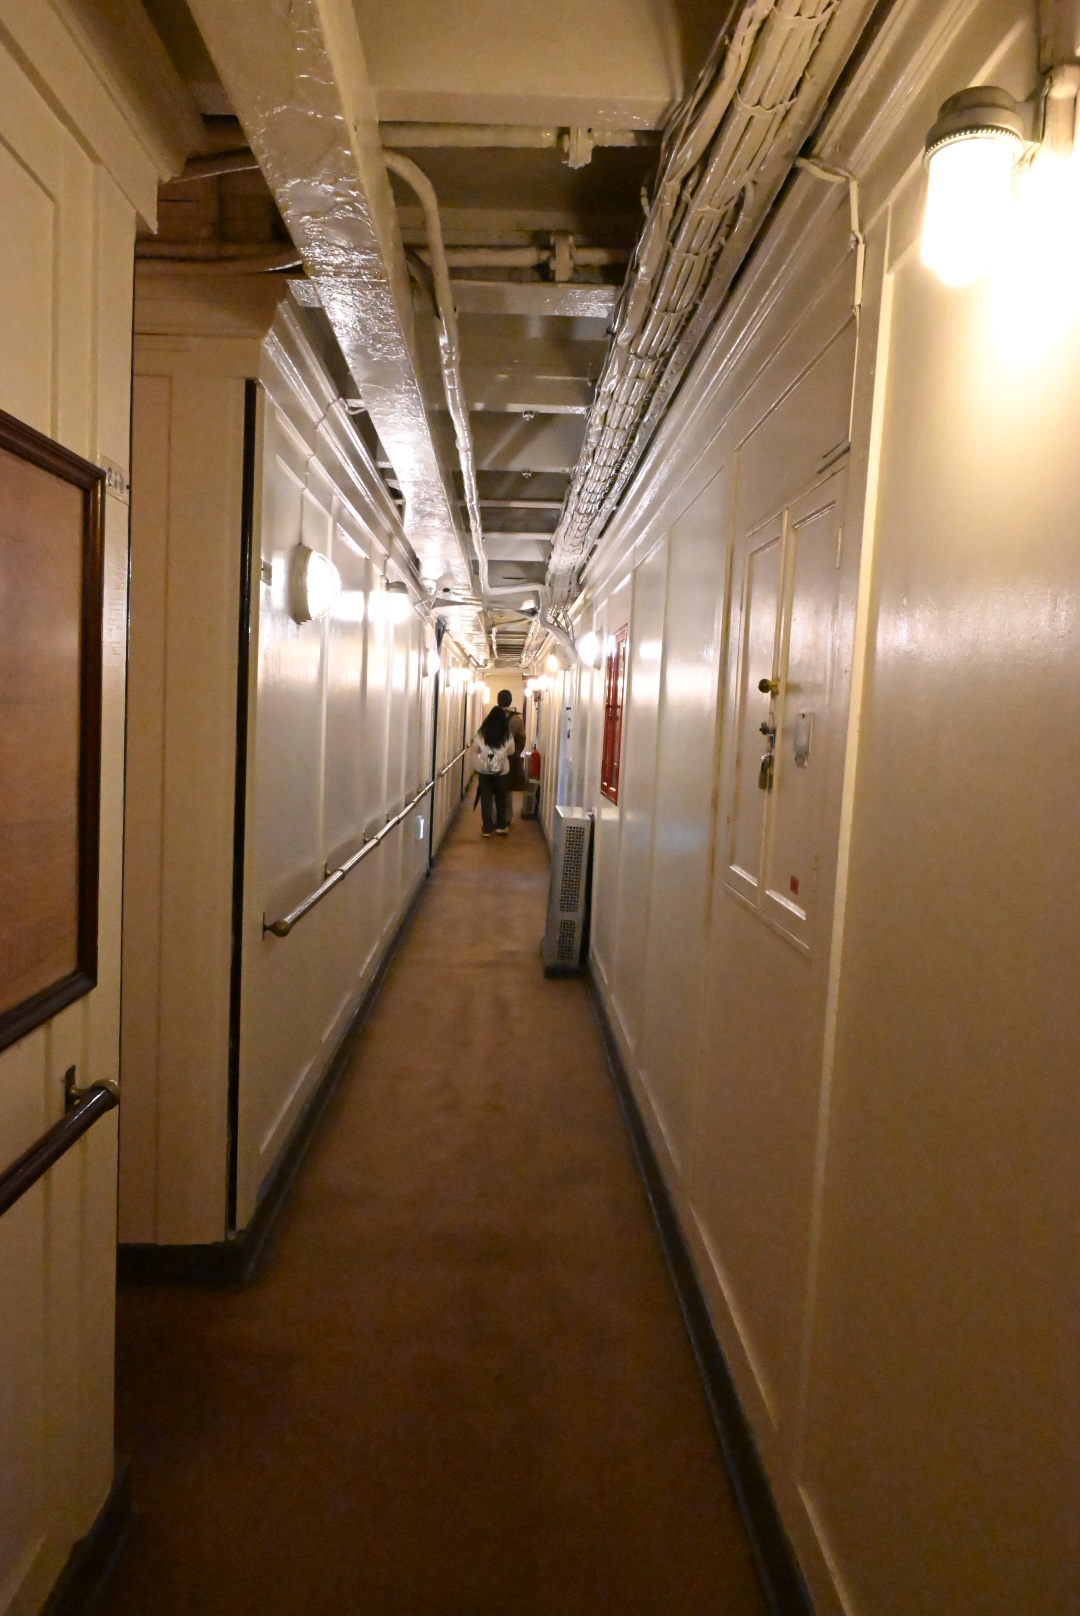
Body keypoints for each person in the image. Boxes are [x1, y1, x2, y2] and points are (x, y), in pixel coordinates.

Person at [472, 704, 515, 836]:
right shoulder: (507, 734)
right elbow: (512, 751)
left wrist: (486, 753)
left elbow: (475, 748)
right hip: (502, 772)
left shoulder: (482, 732)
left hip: (484, 771)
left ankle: (487, 828)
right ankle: (501, 826)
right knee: (501, 798)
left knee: (486, 799)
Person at [498, 688, 527, 819]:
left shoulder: (491, 717)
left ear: (498, 701)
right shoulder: (516, 719)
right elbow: (522, 739)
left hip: (492, 758)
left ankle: (495, 818)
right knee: (507, 789)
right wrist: (516, 752)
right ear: (510, 702)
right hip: (509, 759)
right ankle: (506, 818)